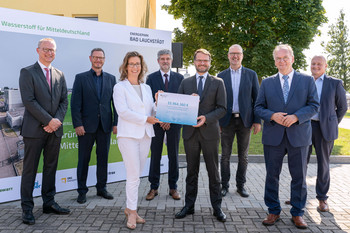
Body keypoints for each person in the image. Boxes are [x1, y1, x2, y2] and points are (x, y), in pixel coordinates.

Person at [254, 44, 319, 229]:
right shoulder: (267, 82)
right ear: (274, 61)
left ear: (292, 59)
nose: (281, 61)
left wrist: (297, 116)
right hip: (273, 136)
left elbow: (314, 105)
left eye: (285, 58)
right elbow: (258, 107)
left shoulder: (307, 81)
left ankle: (298, 213)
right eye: (278, 58)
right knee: (272, 176)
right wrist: (272, 115)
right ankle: (273, 210)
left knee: (299, 177)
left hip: (298, 136)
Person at [285, 55, 347, 211]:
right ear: (310, 65)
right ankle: (296, 196)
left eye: (319, 64)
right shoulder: (303, 81)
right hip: (304, 126)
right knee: (300, 163)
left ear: (325, 66)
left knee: (323, 164)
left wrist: (331, 122)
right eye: (313, 63)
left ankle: (322, 199)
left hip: (324, 129)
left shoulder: (334, 83)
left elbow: (342, 108)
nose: (316, 66)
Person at [19, 38, 70, 225]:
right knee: (30, 171)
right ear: (38, 50)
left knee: (50, 168)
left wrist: (55, 122)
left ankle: (49, 203)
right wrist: (49, 121)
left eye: (53, 50)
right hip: (34, 131)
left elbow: (64, 101)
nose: (50, 53)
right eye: (46, 49)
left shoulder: (60, 74)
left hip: (54, 131)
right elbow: (29, 101)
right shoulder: (27, 72)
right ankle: (27, 209)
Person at [175, 49, 227, 222]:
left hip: (210, 133)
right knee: (191, 172)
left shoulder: (218, 82)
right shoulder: (186, 82)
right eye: (199, 60)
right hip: (190, 133)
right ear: (194, 61)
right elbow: (179, 105)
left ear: (210, 62)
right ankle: (189, 206)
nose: (202, 63)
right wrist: (188, 101)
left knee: (213, 172)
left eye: (205, 60)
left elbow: (222, 108)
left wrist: (206, 118)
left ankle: (217, 207)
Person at [113, 51, 160, 230]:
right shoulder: (120, 87)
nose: (135, 67)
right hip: (128, 136)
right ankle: (132, 212)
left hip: (145, 135)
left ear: (142, 67)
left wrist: (158, 102)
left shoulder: (146, 87)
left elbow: (152, 111)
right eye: (132, 64)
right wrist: (145, 119)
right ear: (126, 66)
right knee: (133, 176)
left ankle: (129, 208)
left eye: (138, 64)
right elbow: (123, 112)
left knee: (137, 175)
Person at [71, 48, 118, 204]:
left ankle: (101, 188)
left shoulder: (111, 79)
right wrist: (78, 124)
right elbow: (75, 104)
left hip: (104, 126)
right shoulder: (81, 78)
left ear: (104, 60)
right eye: (96, 57)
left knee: (103, 158)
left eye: (101, 58)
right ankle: (82, 191)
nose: (98, 60)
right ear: (90, 58)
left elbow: (115, 104)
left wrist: (115, 123)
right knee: (83, 159)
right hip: (86, 127)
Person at [218, 44, 261, 198]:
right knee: (225, 156)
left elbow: (257, 99)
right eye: (232, 54)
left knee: (243, 156)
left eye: (238, 54)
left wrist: (257, 121)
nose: (235, 56)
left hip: (245, 121)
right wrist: (218, 122)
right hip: (226, 121)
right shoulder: (221, 75)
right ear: (228, 56)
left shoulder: (251, 75)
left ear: (242, 56)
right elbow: (218, 100)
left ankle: (240, 186)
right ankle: (224, 186)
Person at [145, 49, 184, 201]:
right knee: (155, 155)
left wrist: (169, 119)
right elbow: (148, 101)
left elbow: (181, 102)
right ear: (158, 61)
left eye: (168, 58)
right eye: (162, 59)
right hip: (156, 123)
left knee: (173, 155)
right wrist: (162, 119)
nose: (165, 61)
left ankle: (173, 187)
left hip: (174, 123)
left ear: (171, 60)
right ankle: (153, 187)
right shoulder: (151, 78)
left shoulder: (180, 78)